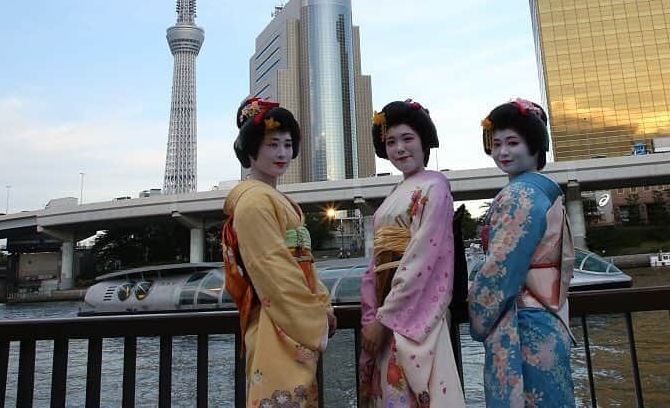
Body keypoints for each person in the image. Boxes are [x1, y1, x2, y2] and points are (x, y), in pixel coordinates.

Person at [223, 97, 336, 407]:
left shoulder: (272, 198)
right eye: (273, 144)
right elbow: (273, 270)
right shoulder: (254, 202)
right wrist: (316, 317)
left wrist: (322, 302)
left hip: (288, 318)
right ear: (251, 148)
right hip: (277, 321)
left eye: (288, 144)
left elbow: (304, 264)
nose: (283, 153)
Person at [468, 99, 576, 407]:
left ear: (534, 145)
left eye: (513, 142)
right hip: (548, 317)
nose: (502, 152)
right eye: (496, 143)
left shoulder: (520, 195)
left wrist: (477, 315)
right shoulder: (540, 192)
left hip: (523, 323)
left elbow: (502, 269)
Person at [359, 99, 465, 407]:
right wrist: (371, 315)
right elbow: (374, 263)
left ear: (424, 141)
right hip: (386, 306)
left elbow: (422, 258)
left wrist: (385, 318)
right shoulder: (395, 192)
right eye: (391, 142)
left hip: (407, 313)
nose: (399, 148)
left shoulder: (435, 185)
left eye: (408, 139)